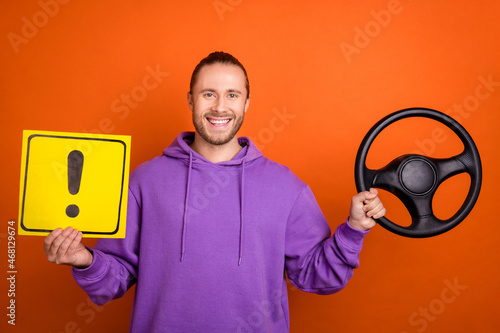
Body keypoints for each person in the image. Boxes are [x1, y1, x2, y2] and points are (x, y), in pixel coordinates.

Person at [44, 51, 386, 332]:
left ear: (247, 103)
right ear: (191, 99)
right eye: (209, 94)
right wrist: (84, 260)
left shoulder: (286, 187)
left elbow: (317, 276)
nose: (220, 107)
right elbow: (113, 279)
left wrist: (354, 231)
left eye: (232, 95)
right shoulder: (144, 181)